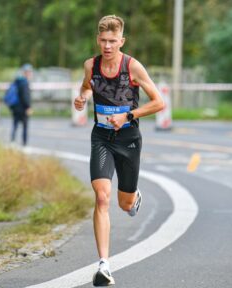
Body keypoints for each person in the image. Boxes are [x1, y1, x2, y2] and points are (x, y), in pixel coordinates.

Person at [73, 15, 164, 286]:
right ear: (98, 40)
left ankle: (133, 196)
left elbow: (159, 103)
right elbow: (87, 86)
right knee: (102, 198)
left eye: (113, 41)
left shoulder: (133, 67)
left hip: (128, 139)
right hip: (101, 137)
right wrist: (83, 98)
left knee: (124, 204)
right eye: (103, 41)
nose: (108, 46)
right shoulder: (91, 64)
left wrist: (129, 115)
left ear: (121, 41)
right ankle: (104, 266)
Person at [10, 64, 33, 146]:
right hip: (23, 108)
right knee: (25, 127)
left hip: (15, 107)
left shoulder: (17, 81)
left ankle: (12, 141)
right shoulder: (25, 83)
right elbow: (25, 96)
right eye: (29, 72)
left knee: (15, 125)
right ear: (26, 73)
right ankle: (24, 144)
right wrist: (28, 107)